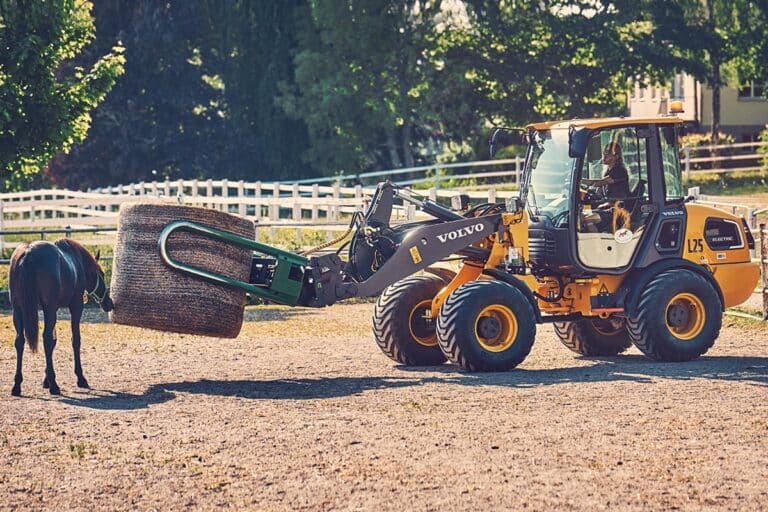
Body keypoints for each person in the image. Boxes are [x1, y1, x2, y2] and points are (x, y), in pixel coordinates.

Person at [581, 142, 631, 232]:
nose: (604, 155)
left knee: (587, 219)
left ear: (616, 156)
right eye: (604, 152)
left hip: (617, 210)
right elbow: (598, 191)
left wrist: (579, 180)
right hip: (607, 207)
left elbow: (599, 183)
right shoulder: (608, 172)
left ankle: (596, 242)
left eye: (608, 153)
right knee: (583, 213)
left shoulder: (619, 170)